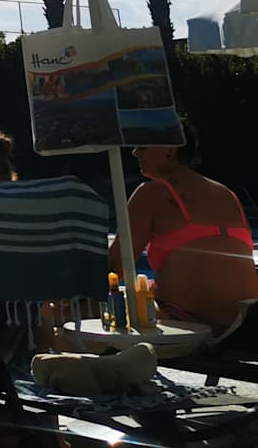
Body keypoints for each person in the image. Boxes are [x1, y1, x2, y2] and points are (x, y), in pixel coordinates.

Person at [109, 122, 257, 328]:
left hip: (186, 320)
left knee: (95, 312)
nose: (135, 153)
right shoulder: (228, 195)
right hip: (246, 323)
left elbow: (116, 267)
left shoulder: (151, 193)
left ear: (170, 150)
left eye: (142, 146)